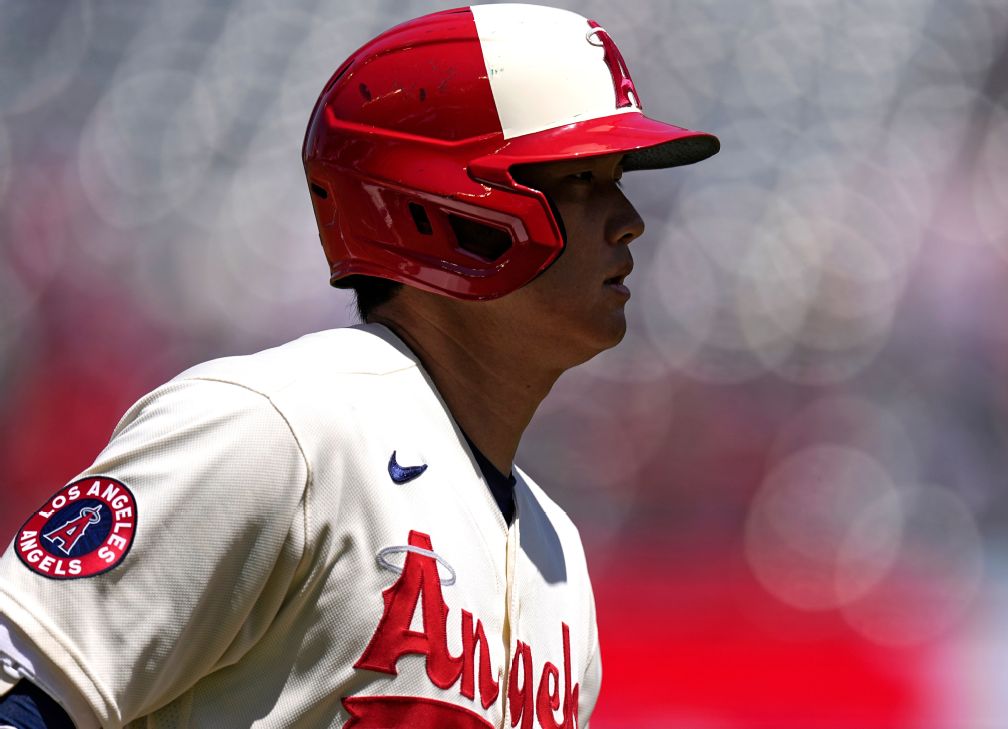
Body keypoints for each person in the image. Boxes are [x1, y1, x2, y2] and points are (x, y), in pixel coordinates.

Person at [0, 4, 719, 727]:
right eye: (583, 180)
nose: (630, 218)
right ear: (453, 208)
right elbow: (22, 688)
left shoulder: (554, 546)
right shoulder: (278, 429)